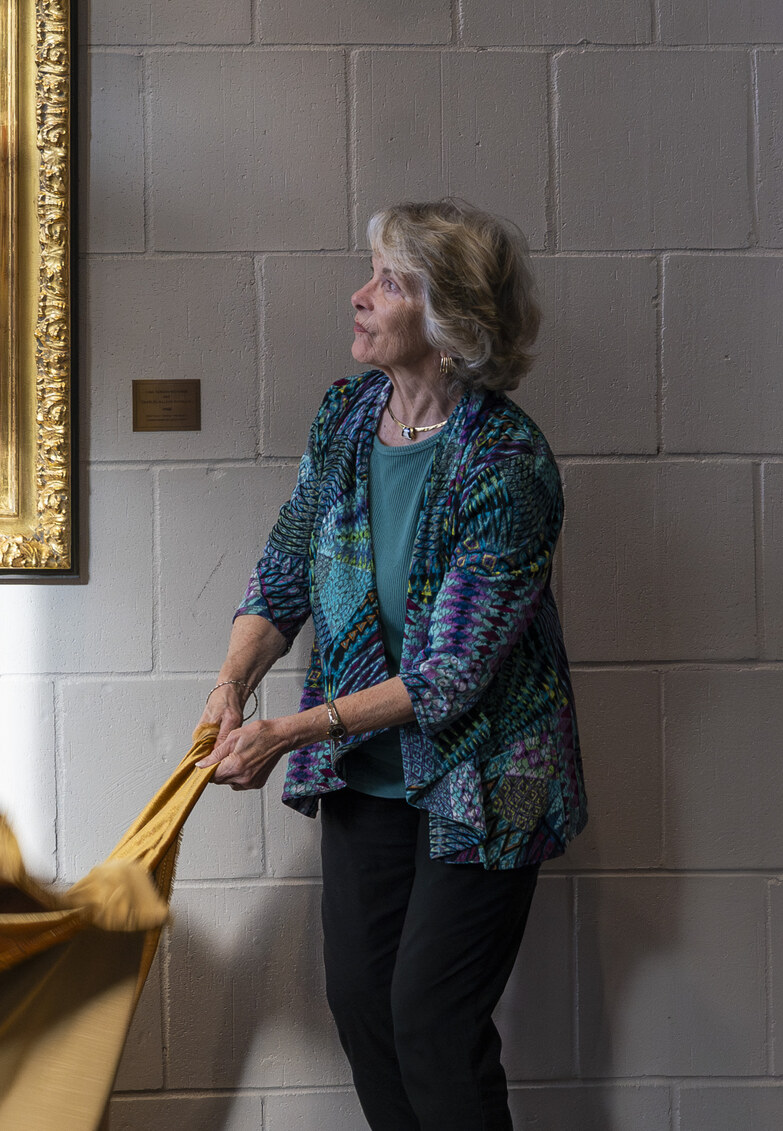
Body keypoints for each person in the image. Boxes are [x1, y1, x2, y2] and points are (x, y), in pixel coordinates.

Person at [196, 199, 583, 1131]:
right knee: (366, 1008)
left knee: (433, 1022)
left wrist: (286, 731)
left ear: (449, 326)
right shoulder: (346, 416)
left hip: (484, 778)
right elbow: (286, 568)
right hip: (369, 777)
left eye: (390, 283)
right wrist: (229, 684)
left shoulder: (509, 463)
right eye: (371, 274)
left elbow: (450, 674)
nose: (359, 296)